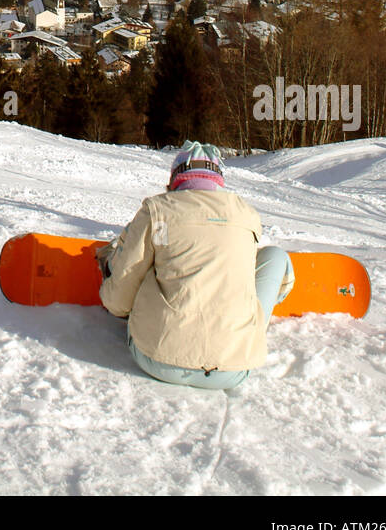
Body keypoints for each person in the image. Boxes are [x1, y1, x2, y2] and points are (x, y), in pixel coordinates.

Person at [97, 140, 294, 390]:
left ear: (175, 180)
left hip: (157, 359)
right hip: (235, 368)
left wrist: (109, 281)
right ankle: (248, 318)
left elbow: (118, 303)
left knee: (151, 260)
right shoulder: (247, 215)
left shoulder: (158, 210)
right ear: (218, 181)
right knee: (274, 256)